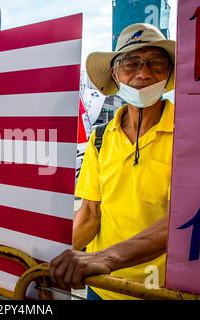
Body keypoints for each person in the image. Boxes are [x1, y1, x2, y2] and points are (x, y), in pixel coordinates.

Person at [49, 23, 176, 300]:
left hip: (164, 291)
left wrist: (106, 257)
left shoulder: (189, 137)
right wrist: (46, 260)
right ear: (115, 74)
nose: (143, 73)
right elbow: (89, 215)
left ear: (168, 75)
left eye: (156, 64)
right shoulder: (100, 138)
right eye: (131, 64)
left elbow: (181, 220)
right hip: (102, 286)